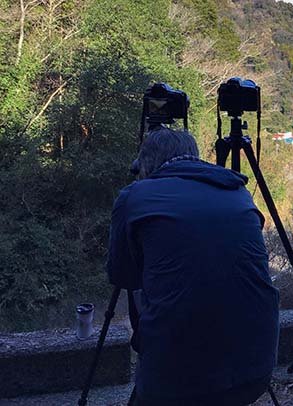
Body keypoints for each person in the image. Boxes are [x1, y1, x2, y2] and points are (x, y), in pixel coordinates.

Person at [106, 127, 280, 406]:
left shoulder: (134, 196)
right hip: (257, 369)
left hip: (173, 384)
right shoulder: (238, 190)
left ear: (147, 165)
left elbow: (122, 275)